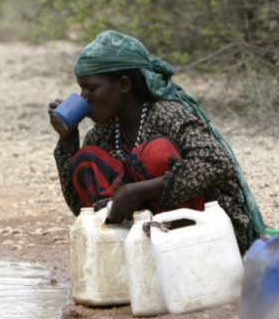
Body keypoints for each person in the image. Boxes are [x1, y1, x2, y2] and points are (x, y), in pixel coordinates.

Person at [49, 30, 265, 253]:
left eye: (91, 88)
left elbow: (217, 162)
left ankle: (183, 257)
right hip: (144, 245)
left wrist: (141, 190)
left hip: (206, 238)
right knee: (86, 160)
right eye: (81, 88)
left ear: (124, 84)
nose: (83, 98)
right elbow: (81, 210)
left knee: (156, 153)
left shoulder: (167, 115)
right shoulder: (103, 134)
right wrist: (67, 141)